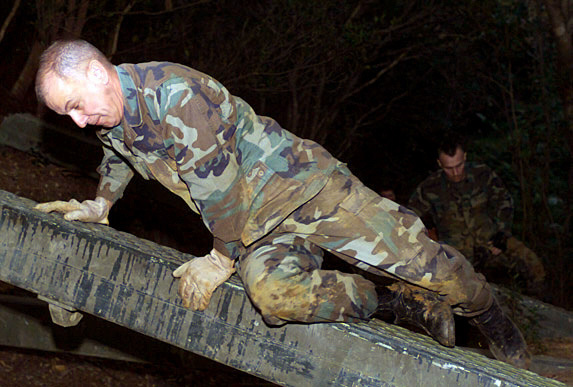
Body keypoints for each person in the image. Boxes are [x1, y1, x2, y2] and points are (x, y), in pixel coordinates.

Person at [33, 39, 530, 369]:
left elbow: (220, 188)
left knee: (430, 266)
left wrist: (218, 261)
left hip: (308, 191)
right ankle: (399, 305)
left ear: (99, 73)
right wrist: (101, 205)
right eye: (66, 114)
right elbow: (117, 157)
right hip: (256, 228)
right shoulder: (113, 117)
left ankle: (494, 322)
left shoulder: (175, 96)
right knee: (274, 299)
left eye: (76, 105)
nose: (79, 121)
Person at [408, 134, 546, 297]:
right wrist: (428, 240)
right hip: (456, 253)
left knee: (533, 266)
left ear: (465, 157)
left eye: (459, 165)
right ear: (439, 164)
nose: (455, 172)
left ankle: (539, 311)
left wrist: (502, 233)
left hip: (491, 242)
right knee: (457, 292)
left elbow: (504, 201)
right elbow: (409, 217)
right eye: (448, 168)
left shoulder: (483, 175)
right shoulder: (430, 187)